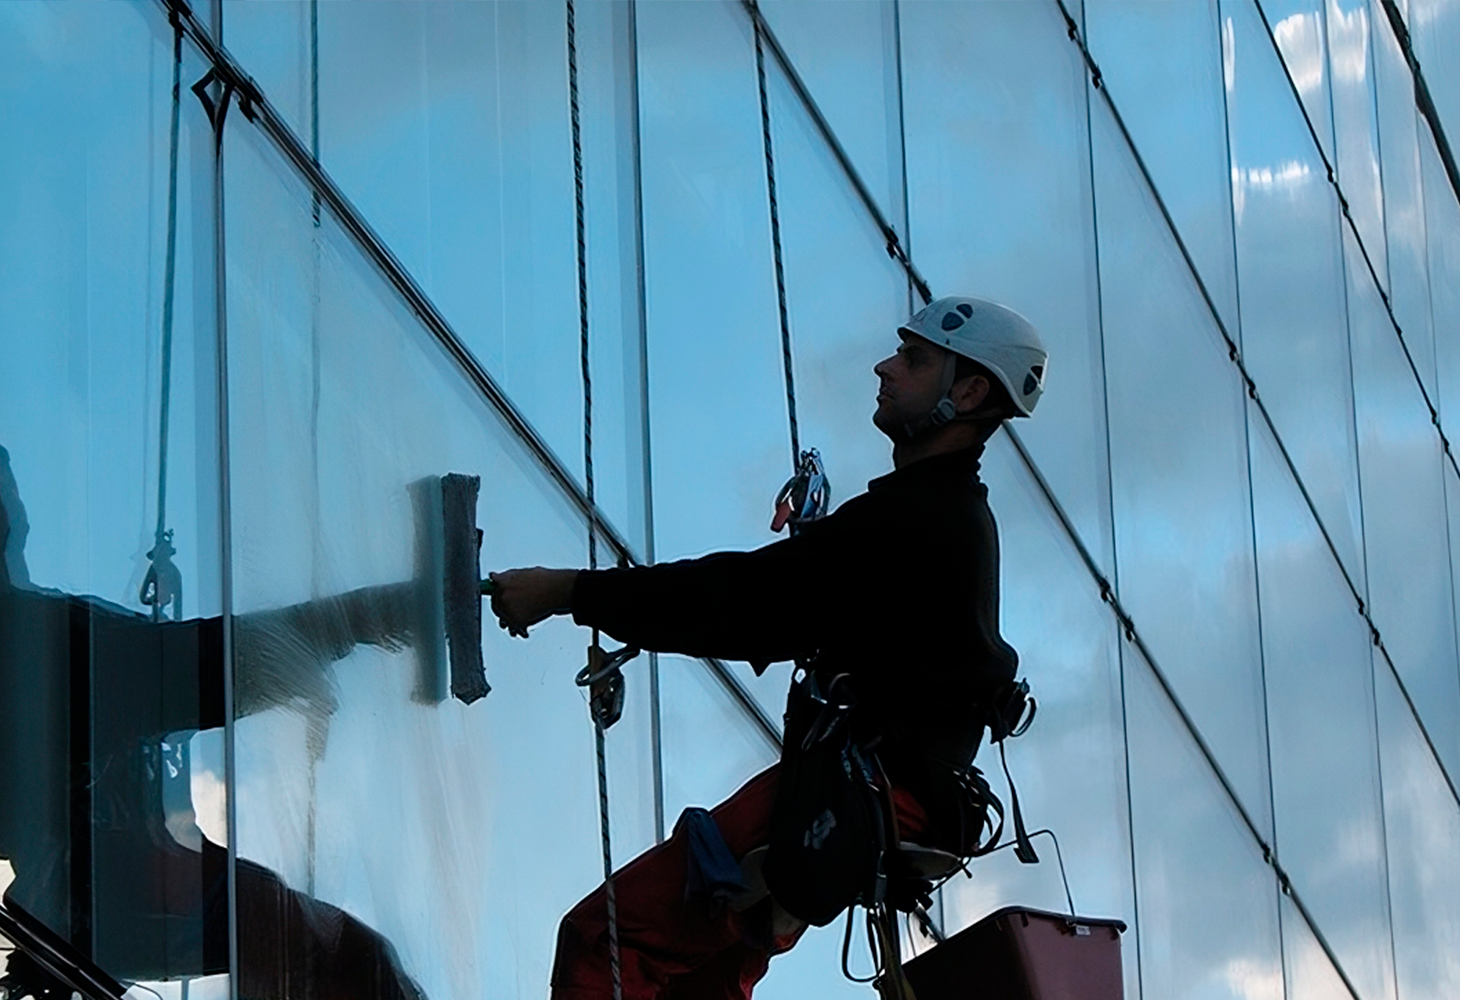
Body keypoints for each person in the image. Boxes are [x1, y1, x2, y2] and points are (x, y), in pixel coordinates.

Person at [490, 297, 1049, 1000]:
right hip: (863, 805)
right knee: (702, 985)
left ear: (966, 393)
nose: (884, 367)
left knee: (607, 938)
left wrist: (567, 591)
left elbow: (744, 602)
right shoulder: (938, 516)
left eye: (913, 358)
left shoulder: (924, 519)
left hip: (858, 795)